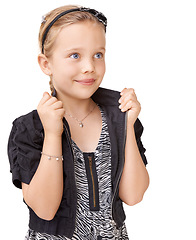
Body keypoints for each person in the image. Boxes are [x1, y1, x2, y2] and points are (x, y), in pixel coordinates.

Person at [7, 5, 149, 240]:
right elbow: (44, 208)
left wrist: (128, 125)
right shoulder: (30, 129)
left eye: (98, 55)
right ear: (46, 64)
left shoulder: (119, 117)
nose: (89, 67)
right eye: (75, 55)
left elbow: (133, 195)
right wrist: (53, 134)